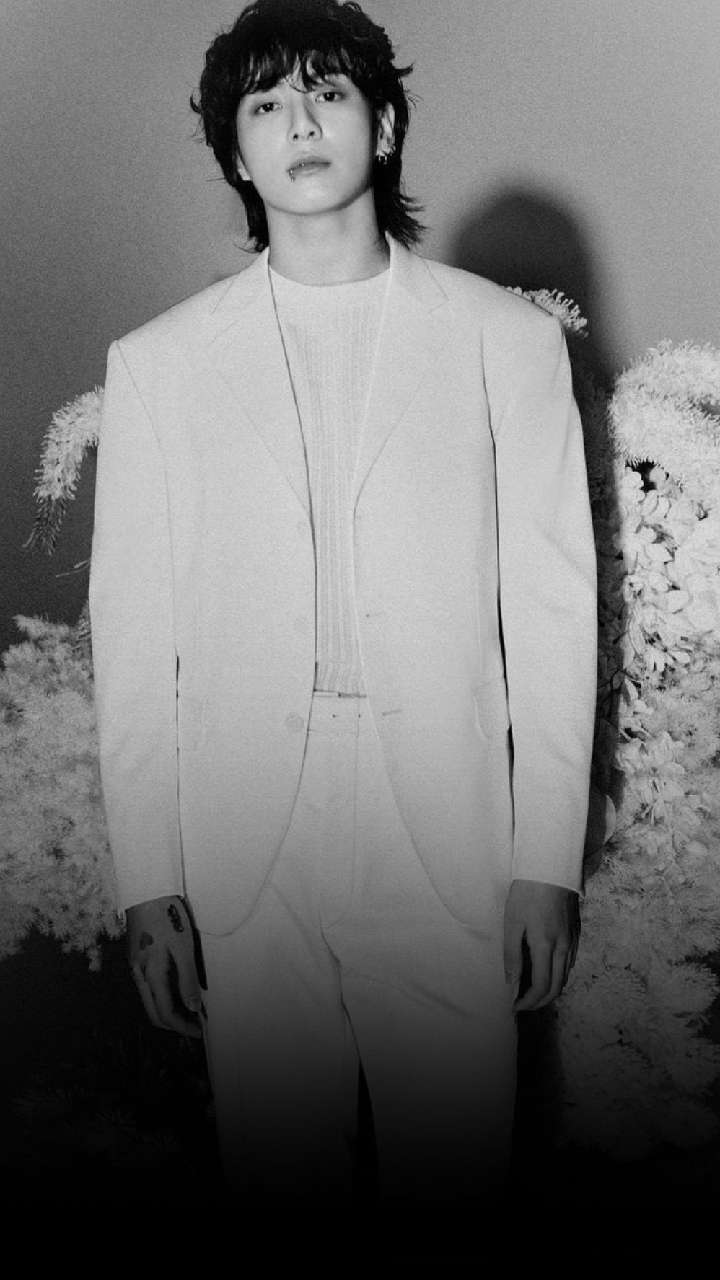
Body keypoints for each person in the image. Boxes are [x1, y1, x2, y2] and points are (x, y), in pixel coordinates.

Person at [89, 0, 596, 1247]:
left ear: (387, 122)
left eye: (328, 90)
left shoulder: (509, 340)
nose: (300, 121)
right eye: (265, 102)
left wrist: (546, 858)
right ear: (235, 150)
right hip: (246, 828)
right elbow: (133, 633)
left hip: (447, 823)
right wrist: (149, 879)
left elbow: (551, 606)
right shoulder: (158, 363)